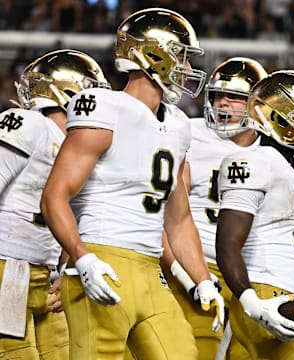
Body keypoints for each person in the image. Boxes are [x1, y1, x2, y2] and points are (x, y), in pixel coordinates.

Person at [40, 8, 224, 360]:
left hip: (150, 270)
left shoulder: (180, 124)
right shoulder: (104, 106)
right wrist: (82, 258)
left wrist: (202, 279)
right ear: (154, 54)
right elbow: (54, 197)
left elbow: (179, 218)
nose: (187, 68)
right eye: (181, 57)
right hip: (102, 259)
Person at [216, 70, 294, 360]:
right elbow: (228, 244)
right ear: (281, 119)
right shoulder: (252, 162)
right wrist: (251, 302)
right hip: (264, 291)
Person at [0, 49, 110, 359]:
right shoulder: (27, 123)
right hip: (11, 267)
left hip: (44, 273)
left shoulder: (79, 147)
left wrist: (66, 269)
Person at [161, 57, 267, 360]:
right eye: (218, 94)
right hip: (193, 263)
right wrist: (187, 274)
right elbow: (167, 215)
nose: (223, 102)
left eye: (233, 97)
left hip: (246, 278)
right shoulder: (190, 132)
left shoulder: (272, 152)